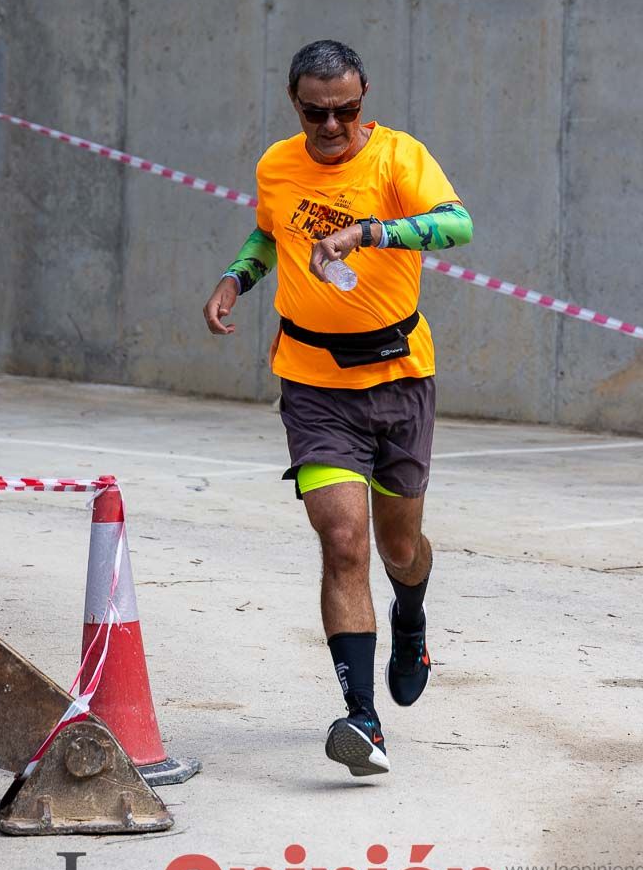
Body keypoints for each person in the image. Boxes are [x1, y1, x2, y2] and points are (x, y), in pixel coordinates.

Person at [203, 40, 473, 778]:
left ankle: (410, 617)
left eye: (346, 110)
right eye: (316, 112)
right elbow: (272, 229)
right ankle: (363, 720)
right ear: (296, 104)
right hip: (314, 382)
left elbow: (457, 224)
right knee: (344, 540)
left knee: (398, 548)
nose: (331, 125)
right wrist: (237, 277)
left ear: (364, 99)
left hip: (399, 377)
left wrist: (370, 231)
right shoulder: (277, 164)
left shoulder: (396, 159)